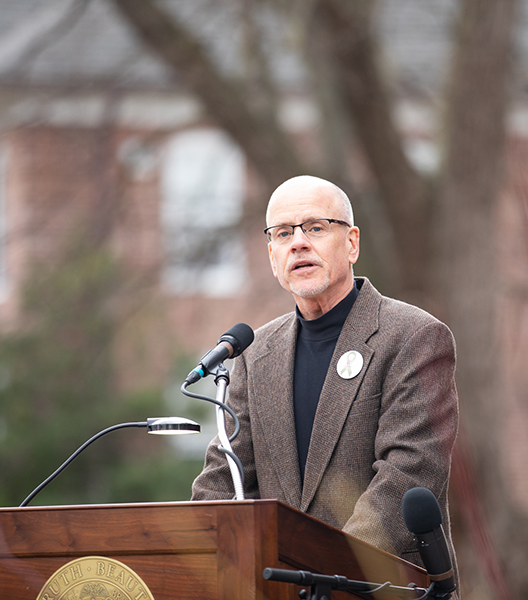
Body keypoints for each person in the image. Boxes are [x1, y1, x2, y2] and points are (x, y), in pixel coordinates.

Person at [191, 175, 459, 571]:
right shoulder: (253, 355)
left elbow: (406, 477)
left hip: (377, 588)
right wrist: (193, 554)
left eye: (315, 227)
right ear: (272, 256)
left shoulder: (414, 337)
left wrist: (324, 572)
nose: (298, 242)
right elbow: (222, 482)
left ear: (351, 243)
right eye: (283, 233)